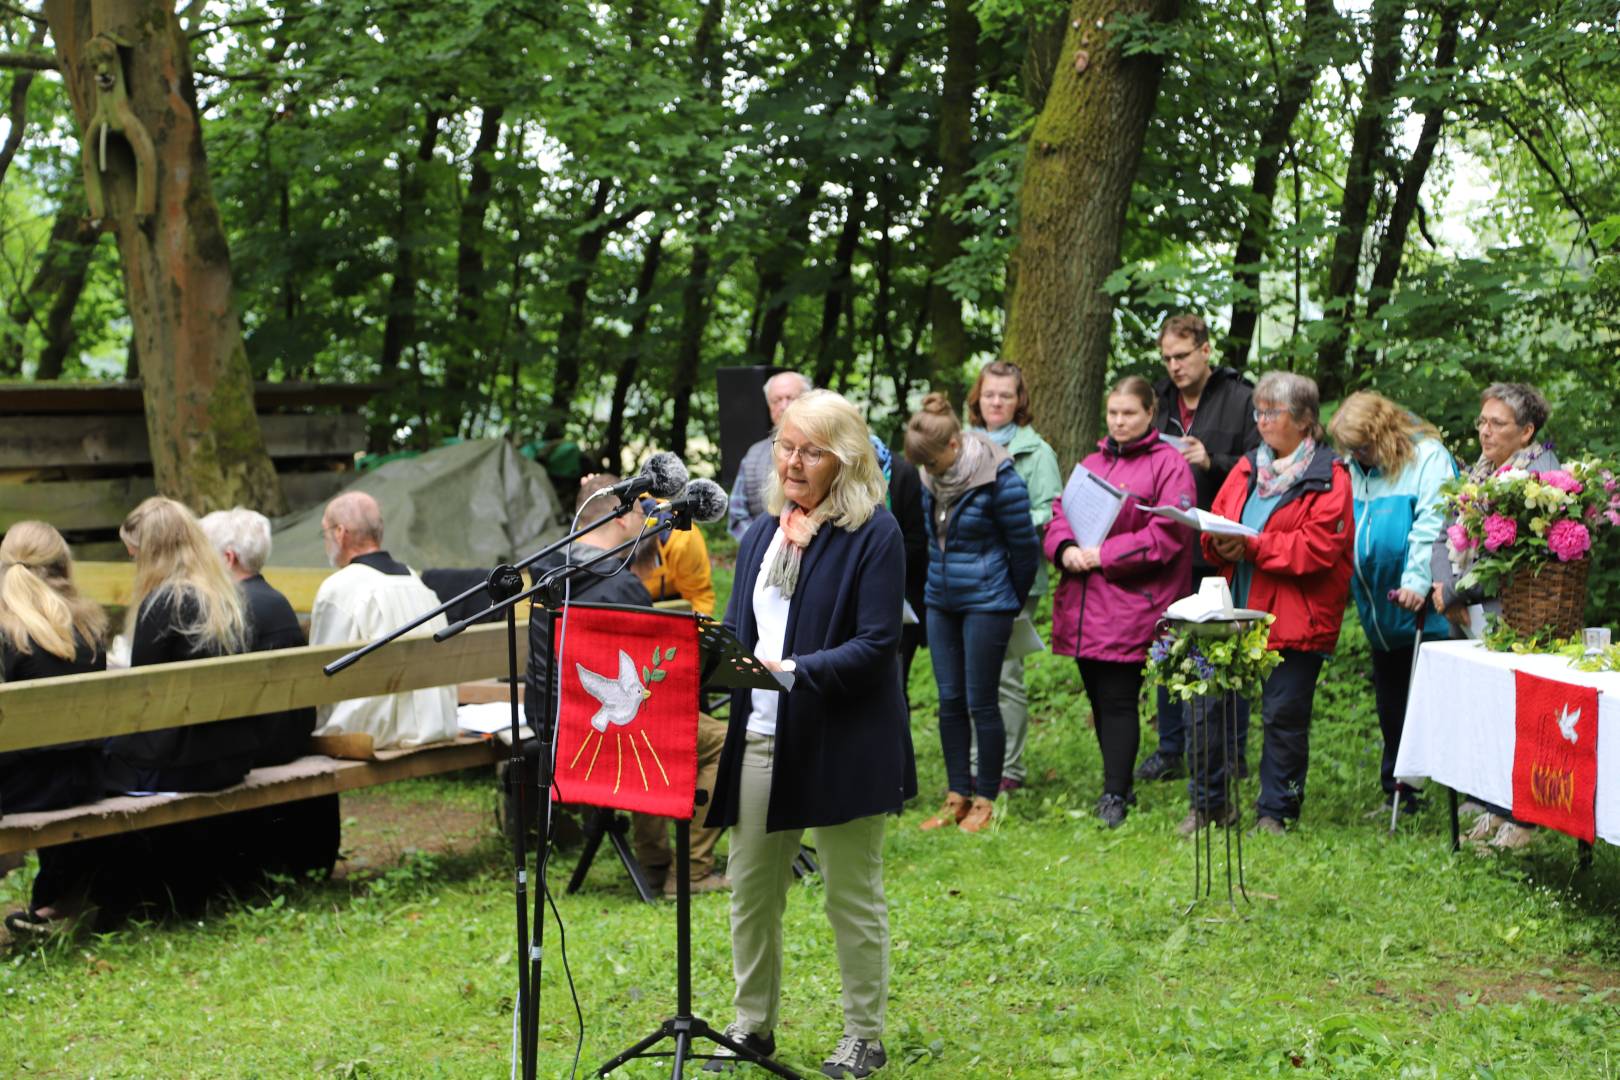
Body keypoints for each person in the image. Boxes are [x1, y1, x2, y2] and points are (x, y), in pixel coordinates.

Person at [704, 389, 914, 1077]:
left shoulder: (875, 534)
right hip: (762, 736)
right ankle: (752, 1026)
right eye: (786, 447)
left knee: (851, 895)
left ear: (844, 461)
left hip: (843, 741)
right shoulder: (765, 531)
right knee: (750, 888)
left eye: (810, 451)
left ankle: (864, 1035)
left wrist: (791, 670)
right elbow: (741, 631)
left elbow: (878, 645)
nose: (792, 462)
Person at [540, 474, 730, 895]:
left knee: (649, 726)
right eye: (639, 512)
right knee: (724, 740)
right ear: (621, 519)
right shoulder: (621, 585)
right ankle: (691, 871)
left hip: (556, 729)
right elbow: (653, 690)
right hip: (602, 730)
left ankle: (654, 859)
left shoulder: (545, 575)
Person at [1195, 372, 1353, 835]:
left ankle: (1276, 812)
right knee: (1211, 708)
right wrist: (1215, 544)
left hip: (1293, 618)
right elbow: (1219, 521)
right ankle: (1210, 805)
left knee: (1283, 716)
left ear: (1304, 420)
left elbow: (1318, 549)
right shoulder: (1247, 466)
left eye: (1272, 412)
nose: (1261, 421)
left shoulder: (1328, 476)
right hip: (1235, 608)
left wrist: (1254, 547)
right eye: (1258, 412)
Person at [1045, 378, 1196, 827]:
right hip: (1084, 602)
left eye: (1129, 413)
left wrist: (1103, 555)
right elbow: (1060, 513)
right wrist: (1065, 547)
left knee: (1117, 699)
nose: (1119, 421)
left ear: (1151, 412)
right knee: (1099, 697)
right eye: (1113, 413)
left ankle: (1116, 795)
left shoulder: (1169, 466)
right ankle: (1118, 783)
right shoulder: (1093, 462)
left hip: (1132, 603)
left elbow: (1169, 532)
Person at [1429, 382, 1557, 850]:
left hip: (1512, 612)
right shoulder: (1479, 473)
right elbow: (1445, 532)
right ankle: (1490, 802)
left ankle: (1518, 816)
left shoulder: (1542, 479)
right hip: (1467, 611)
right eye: (1482, 421)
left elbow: (1516, 557)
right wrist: (1445, 588)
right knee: (1482, 708)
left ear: (1526, 432)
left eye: (1497, 423)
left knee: (1514, 713)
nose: (1484, 431)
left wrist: (1460, 589)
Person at [904, 393, 1039, 834]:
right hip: (941, 600)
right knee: (949, 701)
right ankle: (956, 794)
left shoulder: (999, 477)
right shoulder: (928, 477)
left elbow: (1024, 549)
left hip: (988, 601)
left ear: (954, 446)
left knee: (983, 700)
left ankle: (986, 798)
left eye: (933, 463)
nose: (929, 472)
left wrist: (1007, 600)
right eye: (922, 465)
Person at [1140, 313, 1261, 784]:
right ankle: (1172, 749)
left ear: (1206, 351)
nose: (1174, 366)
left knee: (1222, 652)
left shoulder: (1240, 398)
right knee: (1169, 648)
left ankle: (1229, 754)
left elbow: (1258, 465)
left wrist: (1212, 460)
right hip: (1169, 546)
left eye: (1182, 356)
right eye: (1167, 357)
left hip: (1220, 548)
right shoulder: (1158, 399)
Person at [1327, 393, 1456, 817]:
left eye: (1362, 447)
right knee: (1391, 700)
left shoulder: (1427, 458)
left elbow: (1431, 523)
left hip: (1421, 606)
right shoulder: (1355, 467)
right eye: (1350, 449)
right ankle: (1399, 789)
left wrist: (1417, 580)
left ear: (1381, 436)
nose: (1355, 456)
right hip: (1378, 609)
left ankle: (1468, 793)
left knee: (1438, 702)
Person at [199, 507, 337, 878]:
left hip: (255, 749)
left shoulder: (230, 611)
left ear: (228, 558)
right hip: (288, 739)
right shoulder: (277, 602)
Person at [102, 496, 257, 793]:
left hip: (184, 765)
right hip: (231, 756)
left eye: (135, 556)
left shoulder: (165, 602)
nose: (135, 565)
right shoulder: (225, 598)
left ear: (153, 555)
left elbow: (142, 696)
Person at [0, 522, 109, 938]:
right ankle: (57, 900)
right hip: (87, 780)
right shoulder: (91, 628)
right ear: (64, 565)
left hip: (24, 791)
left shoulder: (8, 633)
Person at [964, 361, 1063, 793]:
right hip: (967, 574)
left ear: (1019, 400)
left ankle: (1009, 769)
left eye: (1006, 395)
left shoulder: (1036, 452)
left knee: (1004, 673)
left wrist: (1004, 522)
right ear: (978, 399)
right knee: (972, 672)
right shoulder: (964, 445)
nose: (997, 402)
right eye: (990, 395)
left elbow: (1051, 510)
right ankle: (974, 762)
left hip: (1014, 576)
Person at [309, 491, 458, 749]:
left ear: (340, 533)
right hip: (436, 721)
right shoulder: (416, 582)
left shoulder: (339, 587)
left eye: (325, 532)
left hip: (375, 730)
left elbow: (322, 673)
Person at [729, 371, 812, 540]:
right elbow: (737, 515)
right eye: (777, 400)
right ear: (769, 407)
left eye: (790, 398)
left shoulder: (826, 450)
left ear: (808, 401)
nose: (783, 406)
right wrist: (762, 545)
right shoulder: (753, 455)